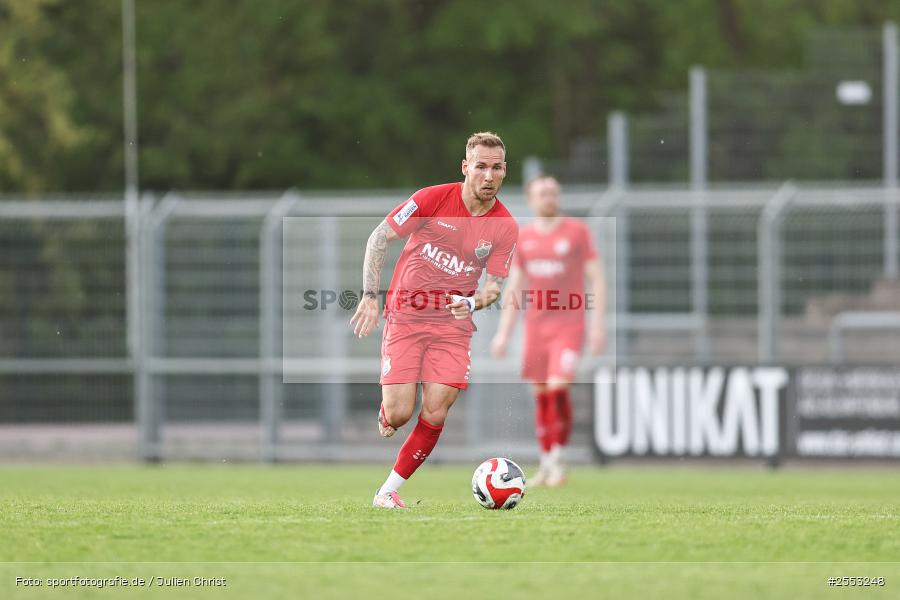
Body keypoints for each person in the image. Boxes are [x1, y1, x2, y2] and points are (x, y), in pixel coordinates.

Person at [350, 132, 519, 509]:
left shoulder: (505, 226)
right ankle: (388, 410)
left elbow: (494, 287)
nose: (488, 176)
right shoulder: (432, 199)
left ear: (505, 171)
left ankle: (386, 491)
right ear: (465, 168)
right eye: (480, 167)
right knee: (399, 413)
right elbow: (379, 238)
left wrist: (472, 303)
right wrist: (369, 296)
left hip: (452, 327)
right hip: (406, 316)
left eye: (496, 168)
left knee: (437, 407)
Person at [490, 175, 606, 486]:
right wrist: (503, 333)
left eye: (553, 192)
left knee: (557, 388)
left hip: (569, 325)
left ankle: (557, 459)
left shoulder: (577, 232)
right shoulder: (525, 239)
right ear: (531, 200)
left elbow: (596, 279)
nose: (549, 198)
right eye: (542, 193)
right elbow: (515, 286)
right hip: (535, 328)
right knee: (541, 393)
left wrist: (597, 327)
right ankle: (546, 462)